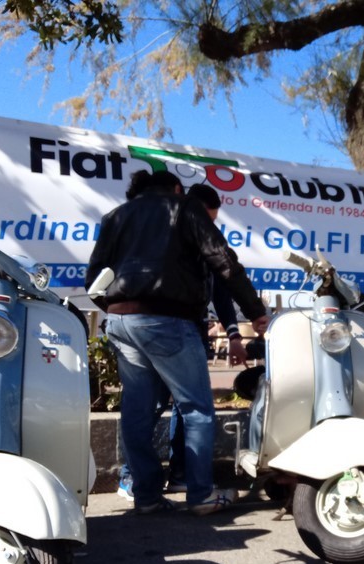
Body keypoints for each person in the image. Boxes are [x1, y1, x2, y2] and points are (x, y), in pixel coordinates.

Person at [87, 169, 269, 515]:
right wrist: (255, 311)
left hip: (121, 321)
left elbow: (94, 276)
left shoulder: (115, 216)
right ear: (175, 188)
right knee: (196, 409)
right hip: (169, 319)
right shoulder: (184, 207)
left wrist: (115, 308)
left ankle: (146, 497)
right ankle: (201, 495)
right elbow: (222, 259)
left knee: (137, 411)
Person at [115, 182, 254, 501]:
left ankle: (180, 476)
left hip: (189, 334)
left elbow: (221, 290)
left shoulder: (203, 241)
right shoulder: (162, 238)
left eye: (214, 222)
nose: (209, 226)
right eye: (206, 218)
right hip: (162, 330)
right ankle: (132, 478)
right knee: (151, 407)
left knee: (185, 407)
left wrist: (234, 334)